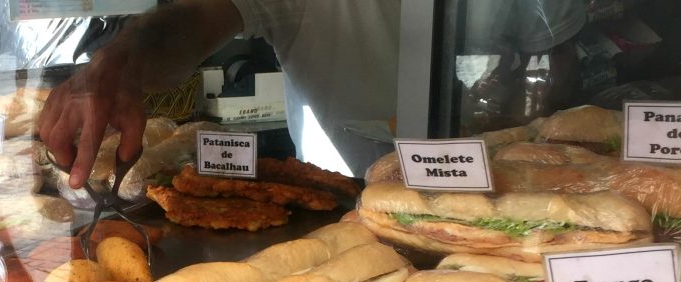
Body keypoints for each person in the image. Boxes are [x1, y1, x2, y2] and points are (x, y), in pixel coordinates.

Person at [38, 0, 586, 184]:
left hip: (503, 174)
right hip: (350, 184)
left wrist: (513, 160)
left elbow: (553, 57)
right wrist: (116, 62)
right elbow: (194, 19)